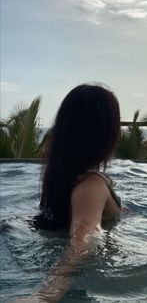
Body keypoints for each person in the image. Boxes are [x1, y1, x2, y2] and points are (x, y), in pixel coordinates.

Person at [15, 83, 122, 302]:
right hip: (90, 274)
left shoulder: (62, 180)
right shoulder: (92, 185)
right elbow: (86, 235)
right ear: (105, 134)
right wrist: (48, 293)